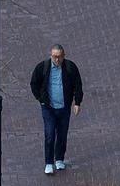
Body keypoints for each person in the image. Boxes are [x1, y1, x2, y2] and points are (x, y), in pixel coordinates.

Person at [29, 44, 83, 175]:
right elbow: (34, 83)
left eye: (59, 57)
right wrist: (41, 99)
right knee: (50, 134)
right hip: (48, 107)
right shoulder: (42, 67)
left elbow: (78, 85)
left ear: (64, 56)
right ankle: (48, 162)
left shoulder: (70, 68)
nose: (57, 60)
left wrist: (77, 103)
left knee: (62, 134)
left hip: (64, 107)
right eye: (54, 57)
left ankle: (59, 159)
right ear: (50, 55)